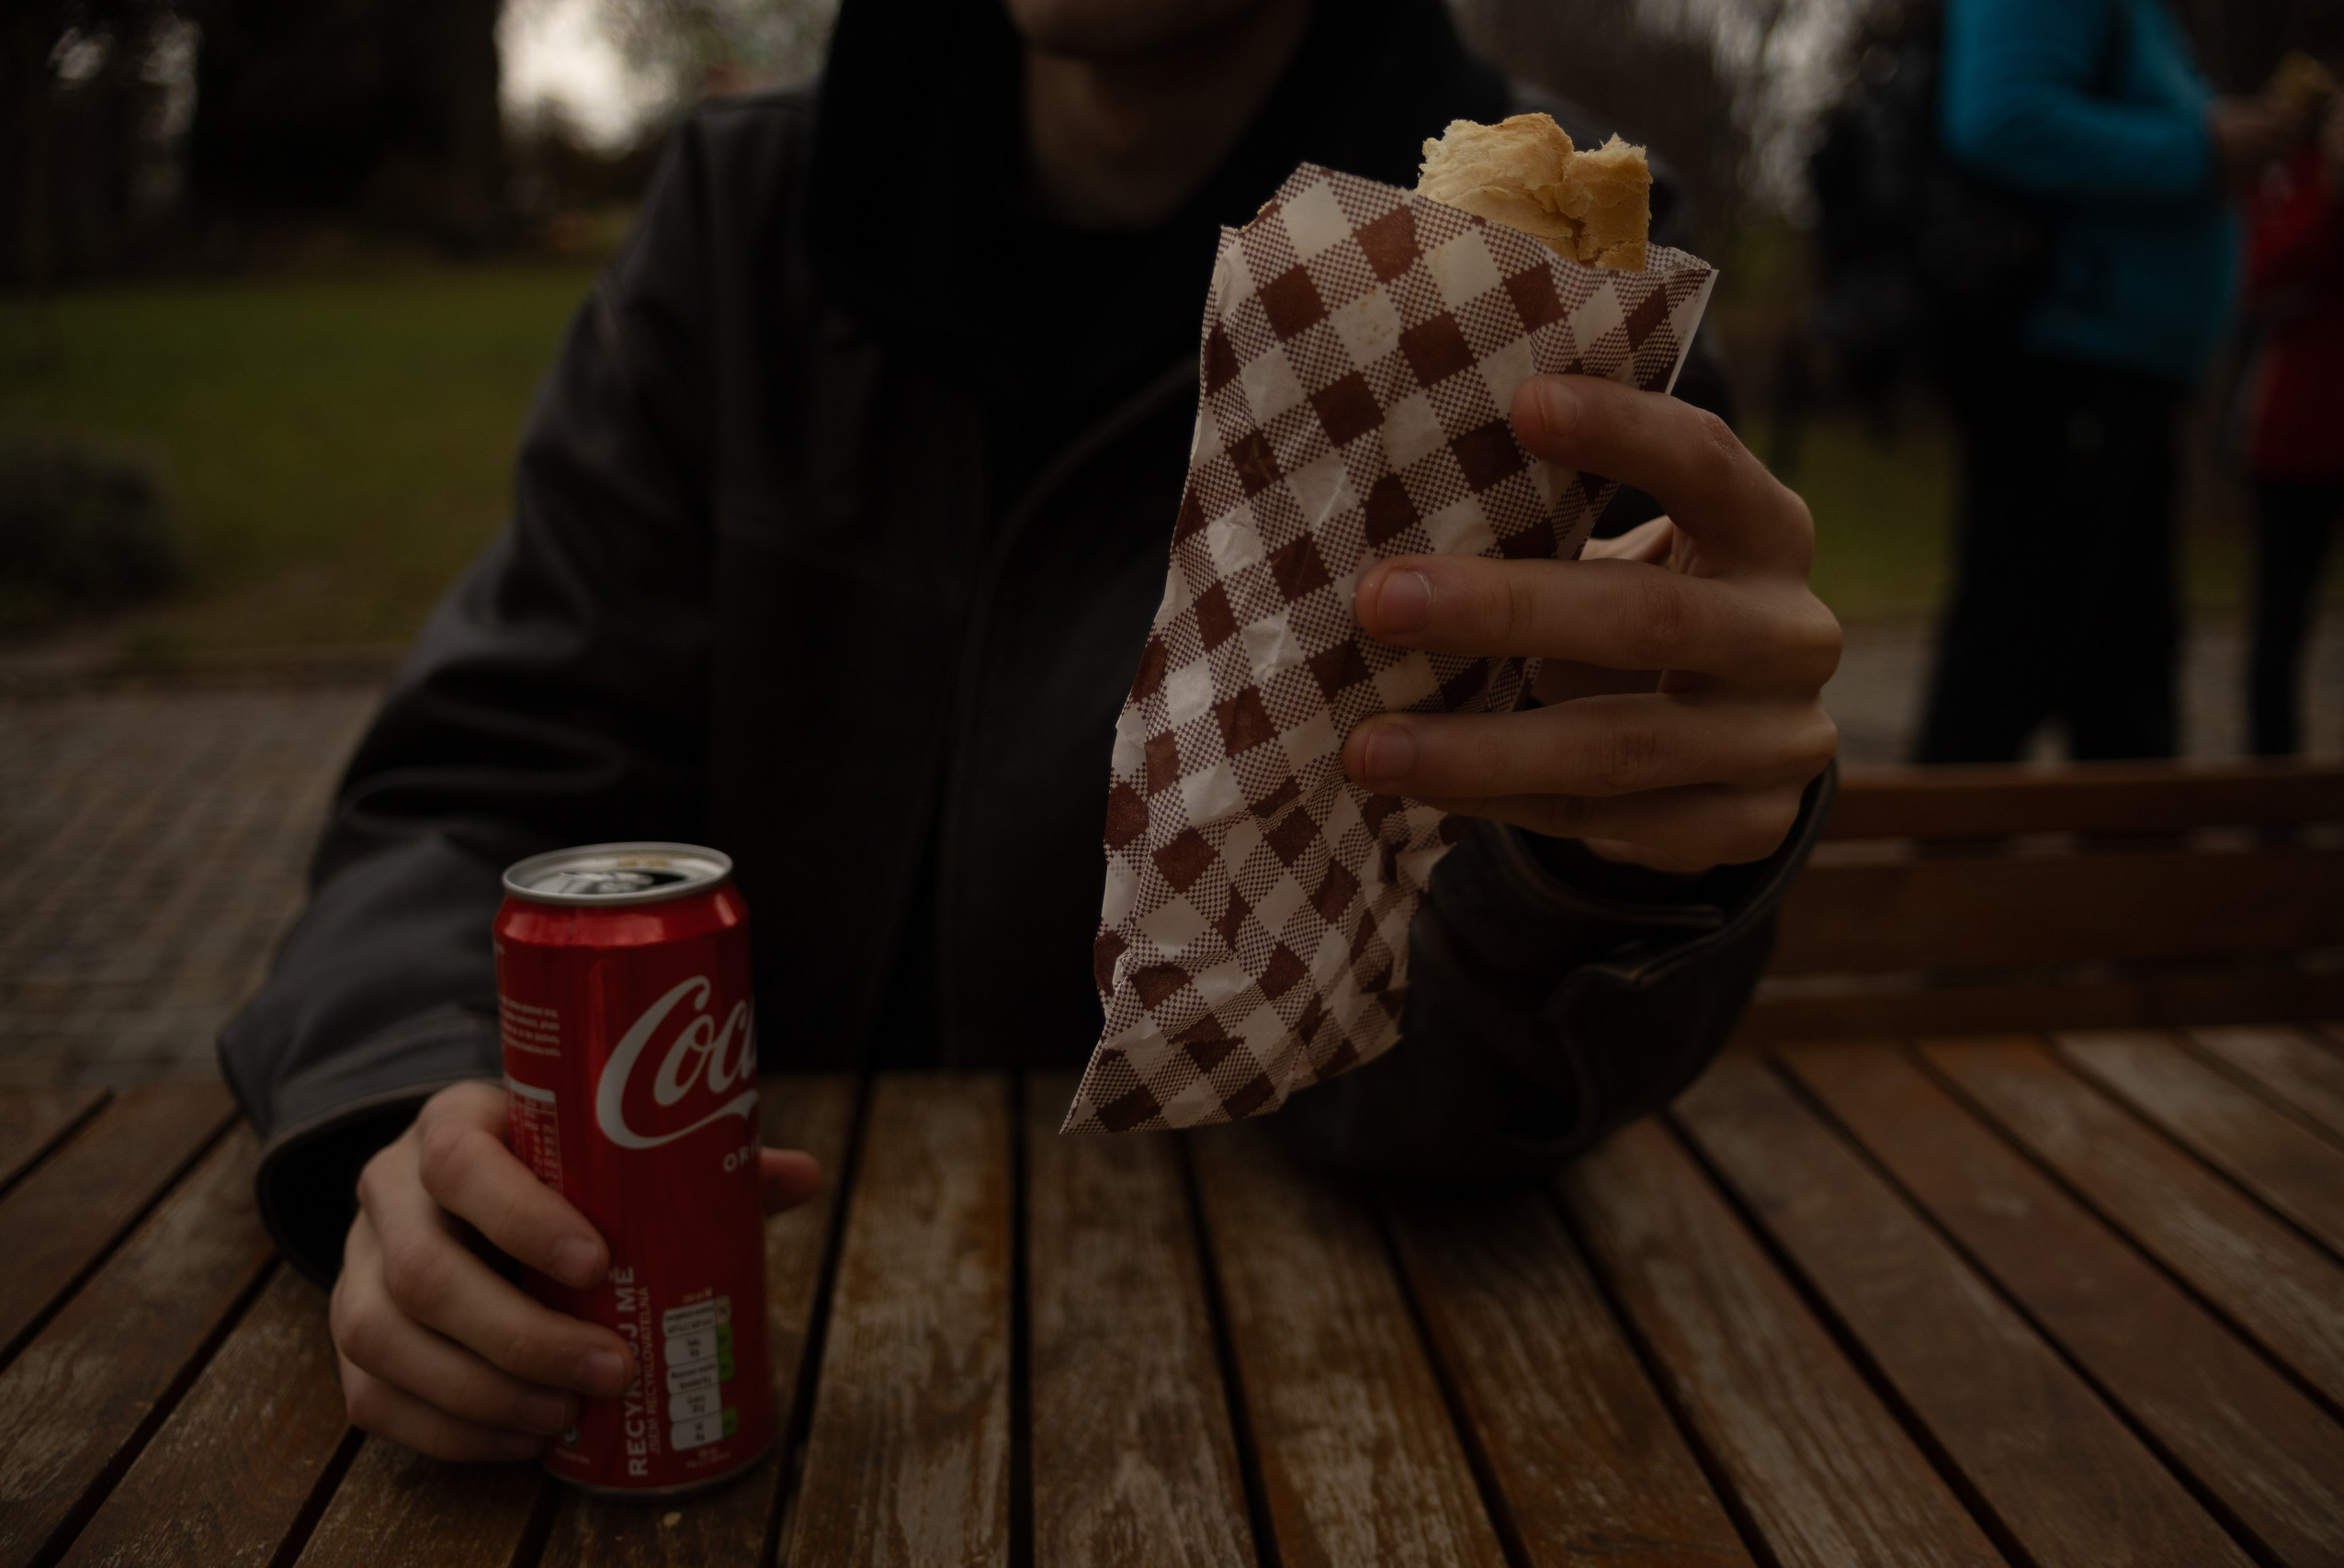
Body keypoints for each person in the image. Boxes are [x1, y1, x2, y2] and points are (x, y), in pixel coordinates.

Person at [218, 0, 1840, 1464]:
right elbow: (469, 792)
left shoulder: (1540, 285)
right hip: (739, 1352)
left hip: (1335, 1395)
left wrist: (1623, 874)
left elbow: (1452, 1103)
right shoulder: (743, 227)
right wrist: (410, 1114)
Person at [1915, 0, 2302, 763]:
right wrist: (2201, 150)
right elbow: (2001, 116)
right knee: (2014, 651)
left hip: (2124, 376)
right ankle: (1945, 868)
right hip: (2064, 369)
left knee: (2127, 670)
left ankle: (2135, 868)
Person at [2243, 83, 2344, 756]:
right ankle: (2273, 784)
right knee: (2279, 620)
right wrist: (2334, 189)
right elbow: (2258, 271)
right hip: (2299, 440)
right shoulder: (2298, 180)